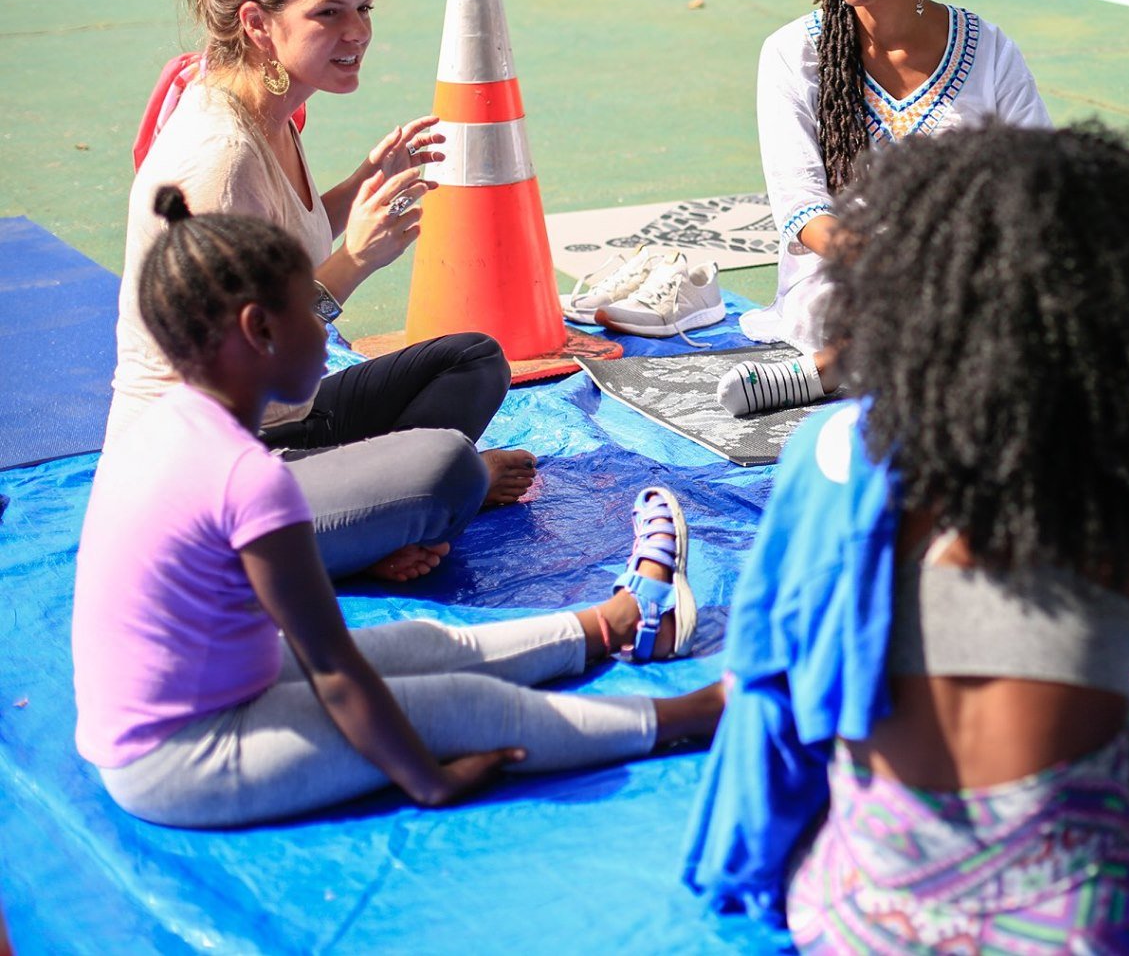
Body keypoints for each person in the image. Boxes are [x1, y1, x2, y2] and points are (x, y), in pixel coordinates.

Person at [682, 125, 1129, 950]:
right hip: (1093, 929)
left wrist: (742, 870)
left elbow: (770, 692)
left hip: (858, 923)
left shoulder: (834, 456)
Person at [76, 188, 727, 829]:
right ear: (259, 330)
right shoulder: (246, 478)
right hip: (181, 756)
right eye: (310, 309)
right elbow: (336, 672)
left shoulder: (166, 425)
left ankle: (605, 626)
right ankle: (692, 713)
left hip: (198, 693)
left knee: (419, 643)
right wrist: (430, 778)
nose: (324, 329)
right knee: (456, 705)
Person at [114, 0, 535, 583]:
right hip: (206, 480)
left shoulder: (268, 109)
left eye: (364, 8)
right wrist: (353, 262)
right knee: (445, 468)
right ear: (256, 22)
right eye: (328, 12)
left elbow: (279, 230)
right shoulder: (219, 158)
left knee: (475, 359)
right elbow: (248, 360)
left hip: (285, 426)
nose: (357, 31)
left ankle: (372, 514)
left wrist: (363, 181)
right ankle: (379, 522)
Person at [718, 0, 1049, 417]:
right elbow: (800, 209)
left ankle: (839, 367)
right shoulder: (792, 52)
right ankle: (850, 356)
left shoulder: (990, 49)